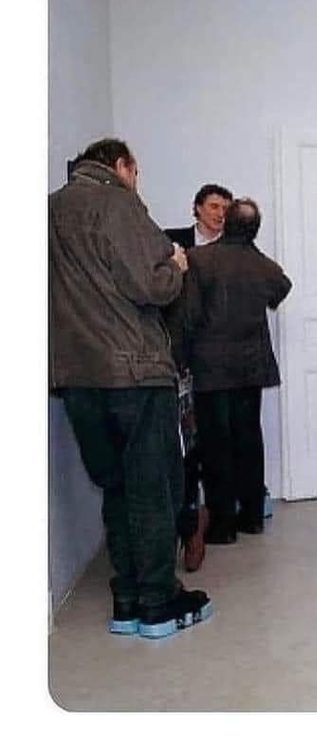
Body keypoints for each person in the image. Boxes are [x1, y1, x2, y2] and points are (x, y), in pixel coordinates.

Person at [49, 138, 212, 637]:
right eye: (136, 173)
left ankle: (126, 598)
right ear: (122, 166)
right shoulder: (118, 202)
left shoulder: (50, 209)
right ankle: (159, 601)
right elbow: (152, 285)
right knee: (153, 488)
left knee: (116, 486)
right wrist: (177, 266)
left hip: (76, 375)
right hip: (135, 371)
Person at [182, 198, 292, 544]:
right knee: (248, 439)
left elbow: (189, 316)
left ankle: (223, 525)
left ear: (226, 223)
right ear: (254, 230)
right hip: (250, 366)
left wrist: (181, 359)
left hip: (210, 367)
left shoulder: (198, 259)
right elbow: (282, 287)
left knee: (216, 445)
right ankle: (253, 517)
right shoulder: (263, 265)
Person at [163, 182, 233, 570]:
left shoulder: (233, 250)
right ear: (197, 208)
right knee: (181, 446)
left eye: (225, 208)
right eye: (214, 206)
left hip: (218, 362)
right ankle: (188, 518)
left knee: (216, 442)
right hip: (177, 359)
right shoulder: (171, 243)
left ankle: (213, 519)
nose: (220, 213)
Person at [166, 183, 233, 250]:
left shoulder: (234, 244)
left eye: (225, 209)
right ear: (199, 208)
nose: (221, 214)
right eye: (214, 207)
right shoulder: (170, 238)